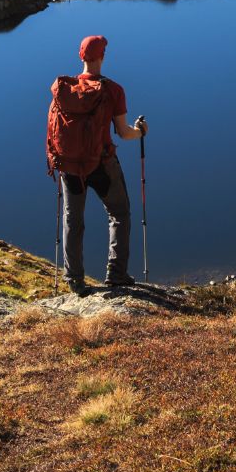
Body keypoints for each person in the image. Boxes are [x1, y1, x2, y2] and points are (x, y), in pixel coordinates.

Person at [47, 35, 146, 295]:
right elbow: (124, 133)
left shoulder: (63, 91)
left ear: (81, 57)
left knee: (73, 220)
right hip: (102, 165)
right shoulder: (113, 90)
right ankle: (116, 274)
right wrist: (140, 131)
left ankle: (75, 280)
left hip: (70, 167)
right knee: (119, 214)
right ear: (102, 56)